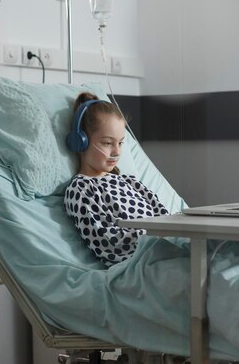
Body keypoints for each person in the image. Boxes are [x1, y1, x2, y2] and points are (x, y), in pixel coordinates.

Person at [64, 92, 169, 266]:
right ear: (80, 141)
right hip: (141, 263)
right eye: (107, 143)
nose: (117, 151)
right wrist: (156, 238)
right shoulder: (81, 189)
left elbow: (165, 218)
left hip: (166, 249)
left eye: (120, 143)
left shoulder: (130, 182)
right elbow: (109, 244)